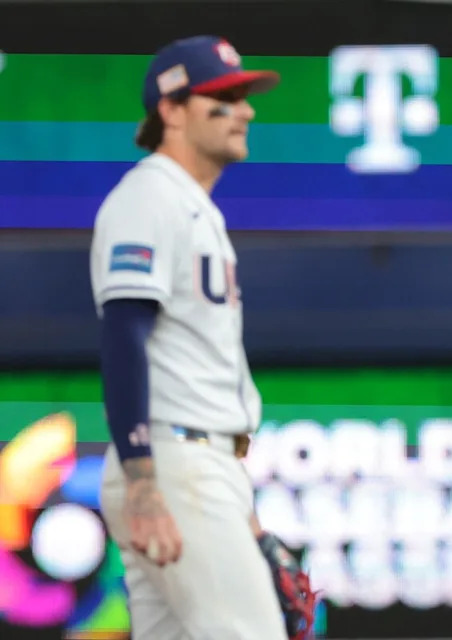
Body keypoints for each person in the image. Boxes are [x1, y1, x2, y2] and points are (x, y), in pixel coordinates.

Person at [91, 36, 313, 639]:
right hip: (175, 460)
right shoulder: (150, 196)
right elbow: (123, 335)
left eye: (242, 96)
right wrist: (144, 483)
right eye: (224, 97)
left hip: (197, 461)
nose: (246, 110)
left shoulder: (191, 205)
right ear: (171, 110)